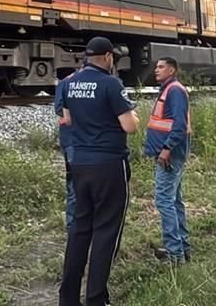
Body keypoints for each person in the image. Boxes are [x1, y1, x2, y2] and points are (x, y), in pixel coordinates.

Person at [59, 37, 139, 306]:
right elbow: (130, 126)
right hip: (108, 164)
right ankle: (96, 299)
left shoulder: (69, 83)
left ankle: (68, 298)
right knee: (106, 231)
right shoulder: (110, 84)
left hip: (79, 164)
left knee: (80, 228)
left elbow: (67, 119)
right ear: (107, 57)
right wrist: (133, 116)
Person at [143, 57, 191, 264]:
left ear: (172, 70)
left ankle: (174, 254)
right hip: (168, 153)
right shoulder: (168, 89)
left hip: (170, 154)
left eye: (161, 67)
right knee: (174, 201)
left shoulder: (175, 91)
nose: (156, 70)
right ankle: (182, 248)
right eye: (156, 67)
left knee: (164, 201)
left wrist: (166, 149)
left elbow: (179, 125)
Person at [54, 64, 81, 232]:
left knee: (73, 181)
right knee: (77, 184)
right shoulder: (76, 82)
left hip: (69, 139)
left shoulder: (64, 83)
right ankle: (74, 225)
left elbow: (59, 109)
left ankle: (73, 224)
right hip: (77, 141)